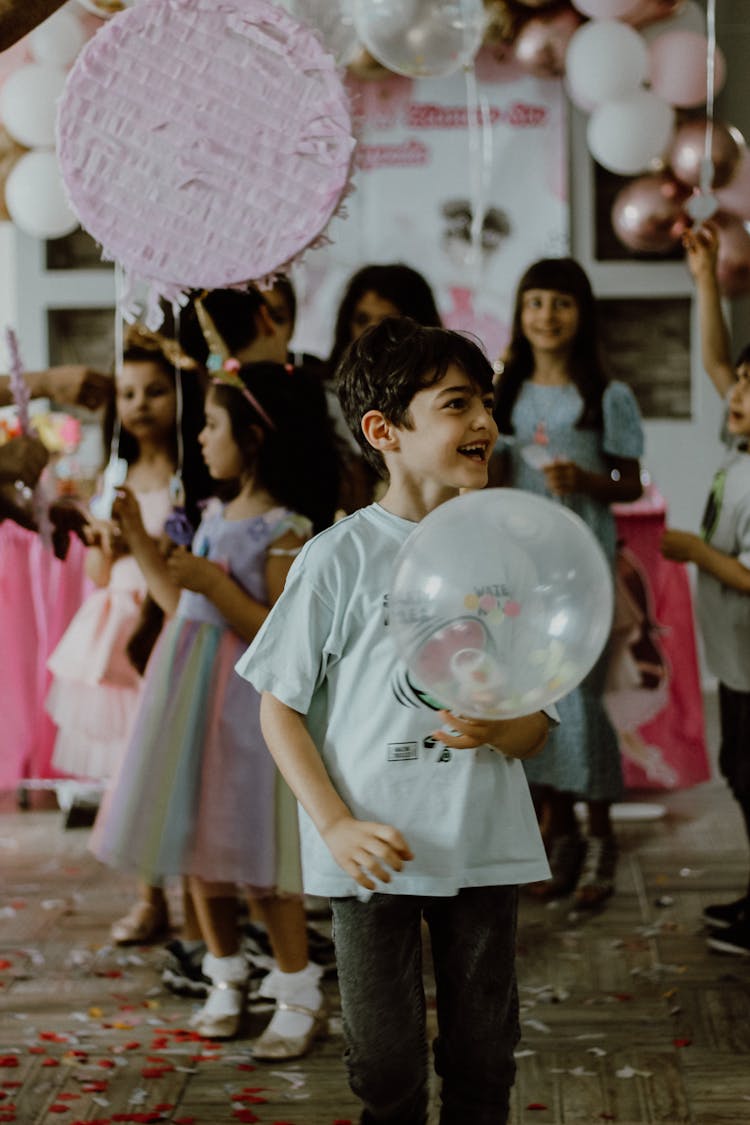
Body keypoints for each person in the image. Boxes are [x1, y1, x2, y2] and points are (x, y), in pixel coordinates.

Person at [236, 317, 553, 1124]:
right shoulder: (336, 557)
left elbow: (533, 726)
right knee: (383, 1067)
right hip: (372, 853)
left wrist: (497, 728)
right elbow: (279, 707)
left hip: (482, 842)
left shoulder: (503, 557)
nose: (483, 419)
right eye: (457, 403)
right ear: (384, 430)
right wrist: (336, 824)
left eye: (486, 400)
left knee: (485, 1057)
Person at [90, 354, 340, 1056]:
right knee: (200, 850)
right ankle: (225, 973)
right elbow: (181, 607)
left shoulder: (285, 529)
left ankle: (297, 985)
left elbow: (278, 630)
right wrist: (140, 541)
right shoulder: (206, 516)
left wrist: (214, 579)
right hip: (190, 704)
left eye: (211, 424)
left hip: (246, 712)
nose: (199, 437)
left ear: (253, 438)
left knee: (255, 852)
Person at [44, 327, 209, 937]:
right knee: (131, 765)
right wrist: (103, 545)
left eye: (156, 391)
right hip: (117, 631)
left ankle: (200, 893)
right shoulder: (113, 473)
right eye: (130, 393)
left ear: (181, 396)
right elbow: (94, 570)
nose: (141, 404)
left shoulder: (195, 477)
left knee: (180, 759)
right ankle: (149, 896)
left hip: (170, 620)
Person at [491, 257, 644, 908]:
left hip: (582, 560)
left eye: (560, 303)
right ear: (520, 314)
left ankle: (602, 835)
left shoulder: (607, 394)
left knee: (580, 696)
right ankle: (557, 839)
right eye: (534, 303)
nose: (546, 316)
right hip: (522, 566)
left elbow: (630, 483)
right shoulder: (504, 391)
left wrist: (586, 483)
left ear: (582, 315)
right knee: (534, 694)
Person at [661, 222, 750, 957]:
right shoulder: (742, 441)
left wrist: (694, 549)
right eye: (742, 384)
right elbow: (718, 360)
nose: (736, 391)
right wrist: (704, 277)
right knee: (743, 772)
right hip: (736, 655)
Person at [324, 263, 443, 512]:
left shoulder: (437, 398)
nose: (372, 335)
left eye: (387, 324)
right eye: (362, 320)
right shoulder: (325, 395)